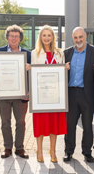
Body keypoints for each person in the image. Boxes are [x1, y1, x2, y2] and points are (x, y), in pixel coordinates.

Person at [0, 25, 31, 159]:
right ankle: (7, 147)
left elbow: (31, 74)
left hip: (21, 94)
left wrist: (28, 89)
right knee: (5, 122)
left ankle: (20, 148)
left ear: (20, 39)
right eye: (11, 36)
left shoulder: (27, 54)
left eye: (16, 36)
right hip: (3, 93)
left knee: (21, 122)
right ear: (7, 37)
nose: (13, 38)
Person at [63, 27, 94, 163]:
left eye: (80, 37)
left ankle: (87, 152)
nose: (78, 40)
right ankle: (68, 151)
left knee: (87, 125)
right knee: (70, 125)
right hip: (71, 93)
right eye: (75, 37)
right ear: (72, 38)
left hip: (87, 94)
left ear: (85, 36)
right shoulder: (66, 53)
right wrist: (63, 69)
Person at [29, 25, 67, 163]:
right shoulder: (35, 53)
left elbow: (62, 75)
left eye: (49, 35)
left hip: (55, 95)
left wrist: (66, 69)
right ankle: (39, 151)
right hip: (40, 95)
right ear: (40, 37)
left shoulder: (60, 53)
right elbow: (33, 74)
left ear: (53, 37)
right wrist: (30, 69)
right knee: (40, 124)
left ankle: (53, 151)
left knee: (53, 124)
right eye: (44, 35)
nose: (46, 38)